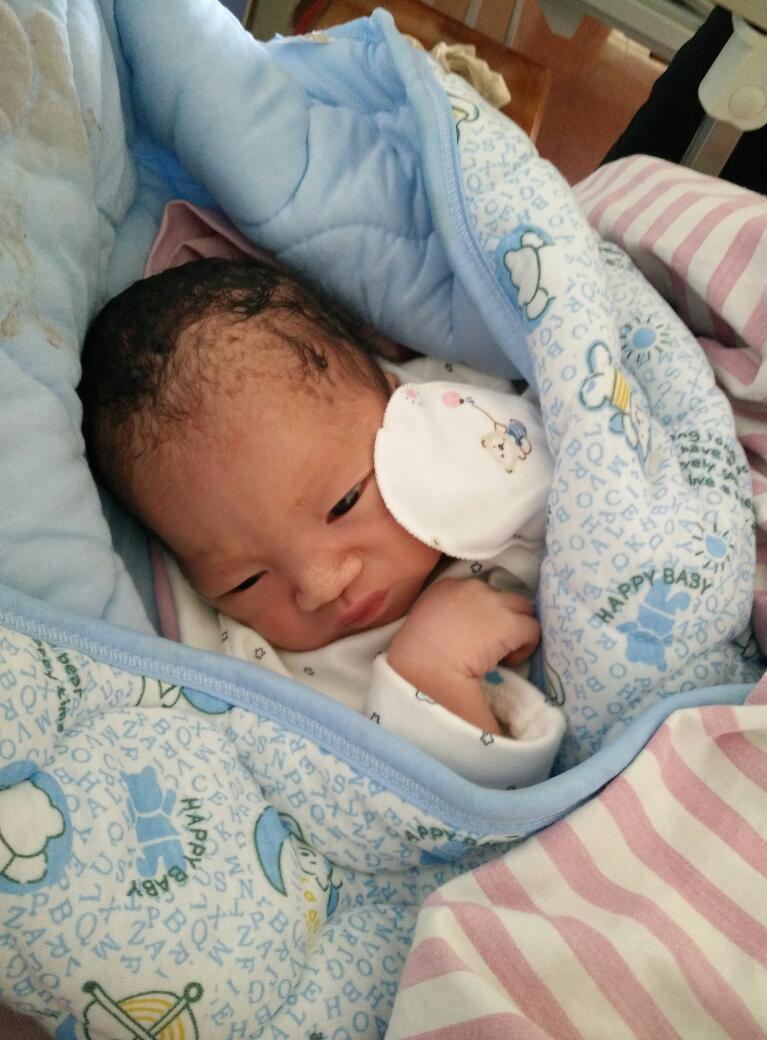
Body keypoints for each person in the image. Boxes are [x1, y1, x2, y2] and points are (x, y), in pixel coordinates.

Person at [79, 257, 564, 788]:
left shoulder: (472, 421)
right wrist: (432, 677)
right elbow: (416, 813)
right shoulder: (257, 680)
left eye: (344, 503)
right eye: (245, 581)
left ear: (394, 402)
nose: (321, 586)